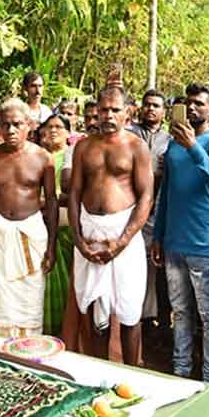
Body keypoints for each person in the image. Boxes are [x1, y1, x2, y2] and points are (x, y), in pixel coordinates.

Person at [151, 83, 209, 387]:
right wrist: (158, 234)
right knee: (181, 312)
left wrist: (192, 147)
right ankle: (181, 372)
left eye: (200, 103)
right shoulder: (173, 144)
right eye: (189, 103)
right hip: (173, 241)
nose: (194, 108)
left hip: (203, 242)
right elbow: (166, 194)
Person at [67, 86, 152, 365]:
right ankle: (99, 374)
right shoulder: (84, 146)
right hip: (90, 232)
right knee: (93, 311)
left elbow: (145, 197)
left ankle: (132, 374)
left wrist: (122, 241)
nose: (108, 115)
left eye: (115, 109)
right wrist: (79, 240)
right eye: (104, 109)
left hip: (123, 235)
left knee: (129, 312)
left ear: (128, 112)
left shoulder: (137, 147)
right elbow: (75, 193)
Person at [0, 99, 57, 337]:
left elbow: (52, 203)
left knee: (28, 298)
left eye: (17, 124)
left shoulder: (43, 159)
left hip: (31, 236)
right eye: (5, 125)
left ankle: (24, 351)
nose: (11, 131)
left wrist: (52, 246)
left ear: (29, 125)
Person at [128, 89, 172, 333]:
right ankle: (137, 320)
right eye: (147, 104)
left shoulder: (171, 139)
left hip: (160, 209)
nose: (151, 109)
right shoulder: (129, 134)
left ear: (164, 111)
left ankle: (161, 322)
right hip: (130, 207)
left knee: (160, 269)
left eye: (156, 105)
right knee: (135, 267)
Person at [38, 112, 74, 335]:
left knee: (63, 282)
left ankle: (63, 331)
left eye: (59, 127)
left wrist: (50, 199)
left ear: (68, 132)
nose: (53, 130)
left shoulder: (72, 157)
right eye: (49, 126)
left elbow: (74, 193)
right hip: (37, 225)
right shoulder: (37, 156)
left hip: (64, 227)